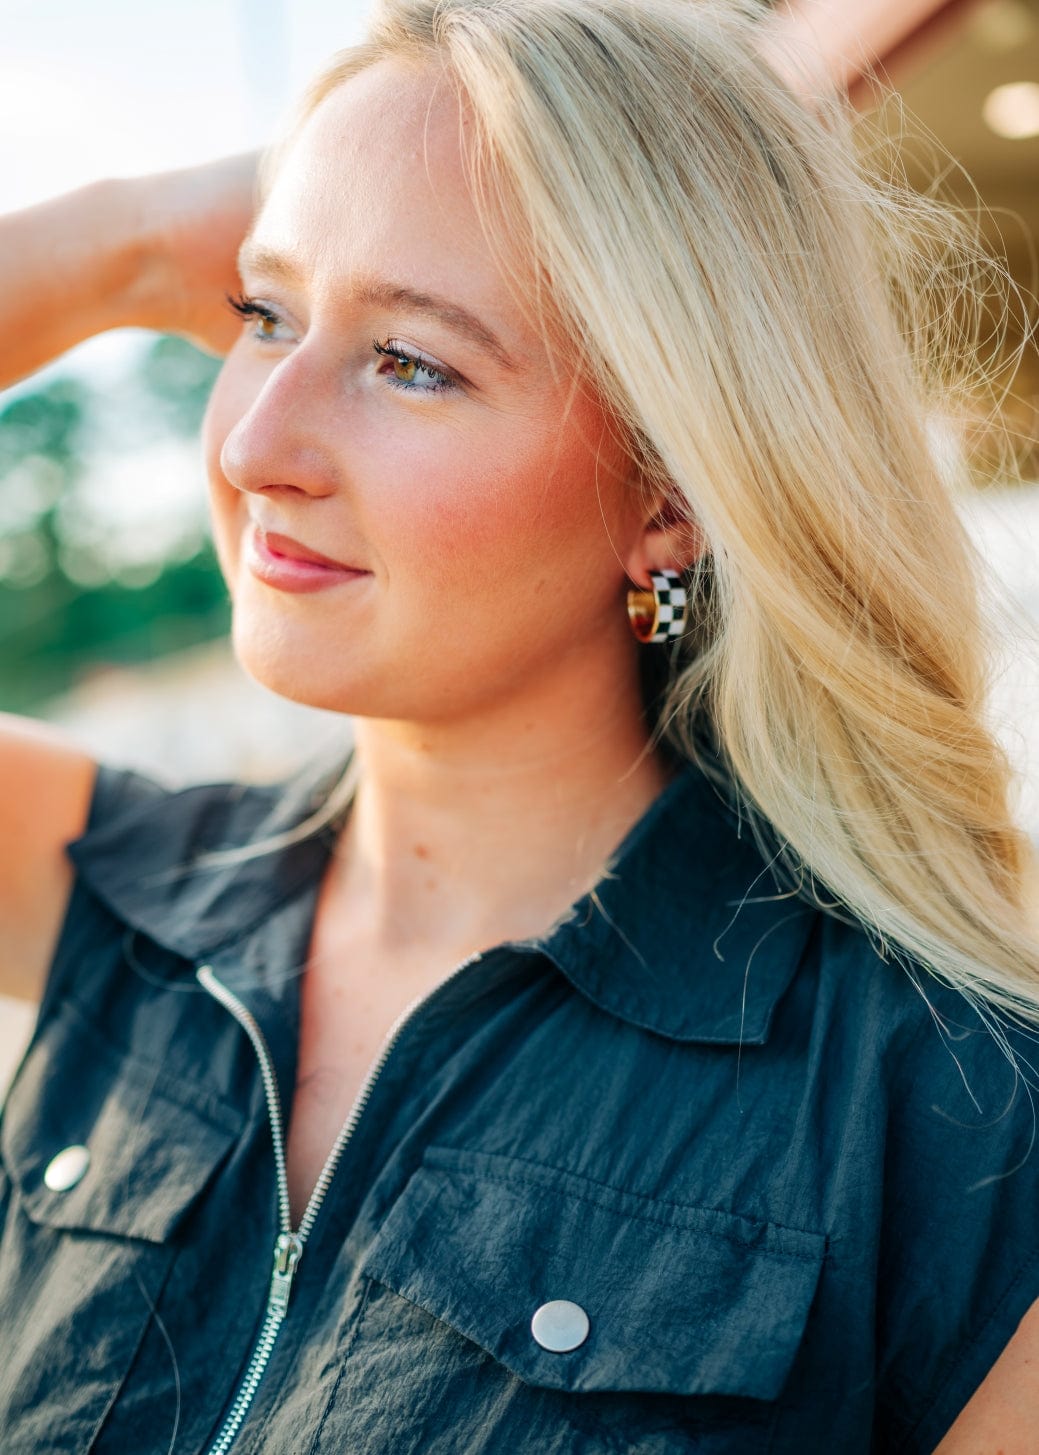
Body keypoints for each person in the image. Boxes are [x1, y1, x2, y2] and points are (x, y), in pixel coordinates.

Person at [1, 0, 1037, 1449]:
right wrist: (113, 243)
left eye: (413, 362)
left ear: (668, 495)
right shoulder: (129, 896)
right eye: (262, 316)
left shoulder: (952, 1114)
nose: (250, 445)